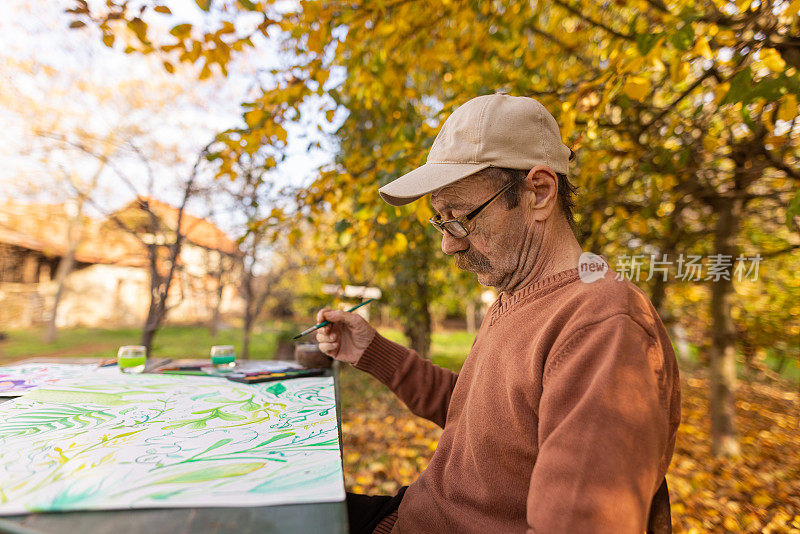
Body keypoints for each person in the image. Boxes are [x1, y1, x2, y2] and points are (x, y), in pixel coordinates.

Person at [316, 92, 681, 533]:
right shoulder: (515, 294)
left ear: (539, 192)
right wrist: (372, 351)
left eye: (461, 216)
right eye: (440, 219)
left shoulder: (602, 326)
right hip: (411, 516)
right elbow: (484, 419)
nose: (450, 242)